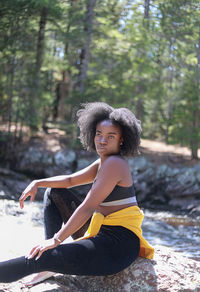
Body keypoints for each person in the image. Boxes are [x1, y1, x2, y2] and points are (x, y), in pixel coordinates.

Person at [0, 102, 154, 286]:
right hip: (101, 231)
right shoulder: (103, 162)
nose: (102, 140)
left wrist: (57, 240)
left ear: (122, 139)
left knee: (38, 258)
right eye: (99, 134)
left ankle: (48, 261)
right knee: (54, 192)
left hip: (116, 247)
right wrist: (37, 183)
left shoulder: (115, 164)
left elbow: (88, 206)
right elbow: (70, 181)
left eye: (110, 136)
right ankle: (49, 262)